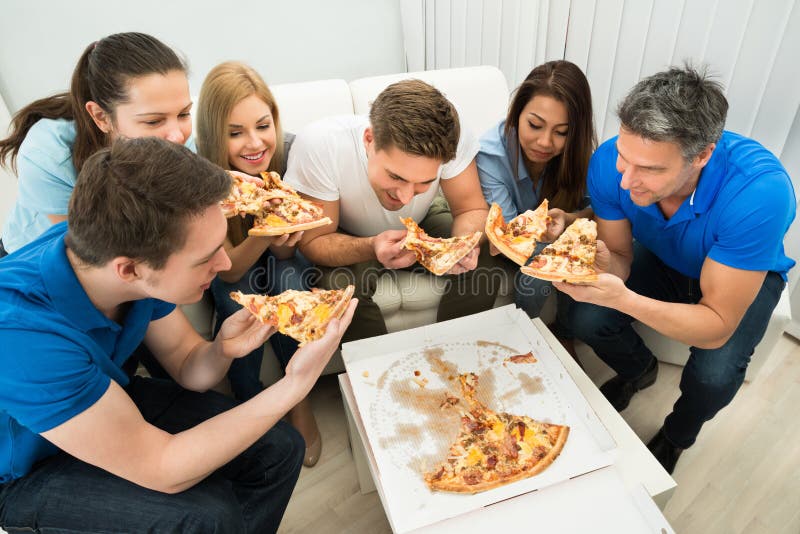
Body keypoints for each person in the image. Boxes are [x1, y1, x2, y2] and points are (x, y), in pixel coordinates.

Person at [0, 137, 356, 533]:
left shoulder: (117, 247)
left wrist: (222, 348)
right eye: (205, 259)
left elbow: (188, 365)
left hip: (99, 398)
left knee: (279, 447)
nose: (224, 264)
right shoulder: (20, 334)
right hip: (23, 467)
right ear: (129, 270)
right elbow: (162, 467)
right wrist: (294, 385)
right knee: (205, 516)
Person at [554, 65, 795, 474]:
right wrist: (601, 264)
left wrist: (625, 300)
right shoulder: (611, 162)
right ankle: (639, 370)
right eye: (625, 159)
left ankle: (677, 436)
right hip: (664, 255)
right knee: (582, 314)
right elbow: (621, 257)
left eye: (650, 169)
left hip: (738, 281)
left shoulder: (761, 193)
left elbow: (716, 322)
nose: (627, 180)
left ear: (702, 155)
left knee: (714, 376)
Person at [284, 79, 497, 342]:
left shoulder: (454, 134)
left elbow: (472, 209)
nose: (406, 197)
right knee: (337, 289)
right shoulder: (321, 145)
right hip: (346, 232)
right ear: (369, 140)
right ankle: (375, 371)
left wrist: (460, 246)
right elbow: (314, 240)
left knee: (482, 257)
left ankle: (455, 358)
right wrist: (372, 245)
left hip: (424, 220)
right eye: (396, 177)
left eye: (425, 182)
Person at [196, 61, 321, 467]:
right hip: (233, 262)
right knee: (240, 297)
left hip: (279, 260)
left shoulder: (294, 152)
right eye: (235, 133)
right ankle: (249, 399)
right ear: (216, 137)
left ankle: (297, 399)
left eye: (263, 125)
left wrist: (282, 231)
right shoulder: (201, 175)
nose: (254, 143)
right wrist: (264, 230)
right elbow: (228, 268)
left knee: (290, 277)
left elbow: (286, 253)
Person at [0, 32, 196, 257]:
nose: (177, 136)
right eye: (153, 121)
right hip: (40, 259)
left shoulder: (177, 137)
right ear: (101, 117)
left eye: (184, 114)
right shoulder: (48, 153)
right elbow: (81, 255)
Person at [477, 60, 596, 355]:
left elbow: (598, 211)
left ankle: (564, 333)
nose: (545, 142)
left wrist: (570, 219)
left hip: (557, 235)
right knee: (544, 263)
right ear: (517, 114)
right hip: (511, 242)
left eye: (562, 132)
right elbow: (510, 236)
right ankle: (520, 338)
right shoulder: (490, 153)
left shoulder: (581, 154)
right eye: (535, 125)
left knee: (581, 247)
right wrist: (554, 242)